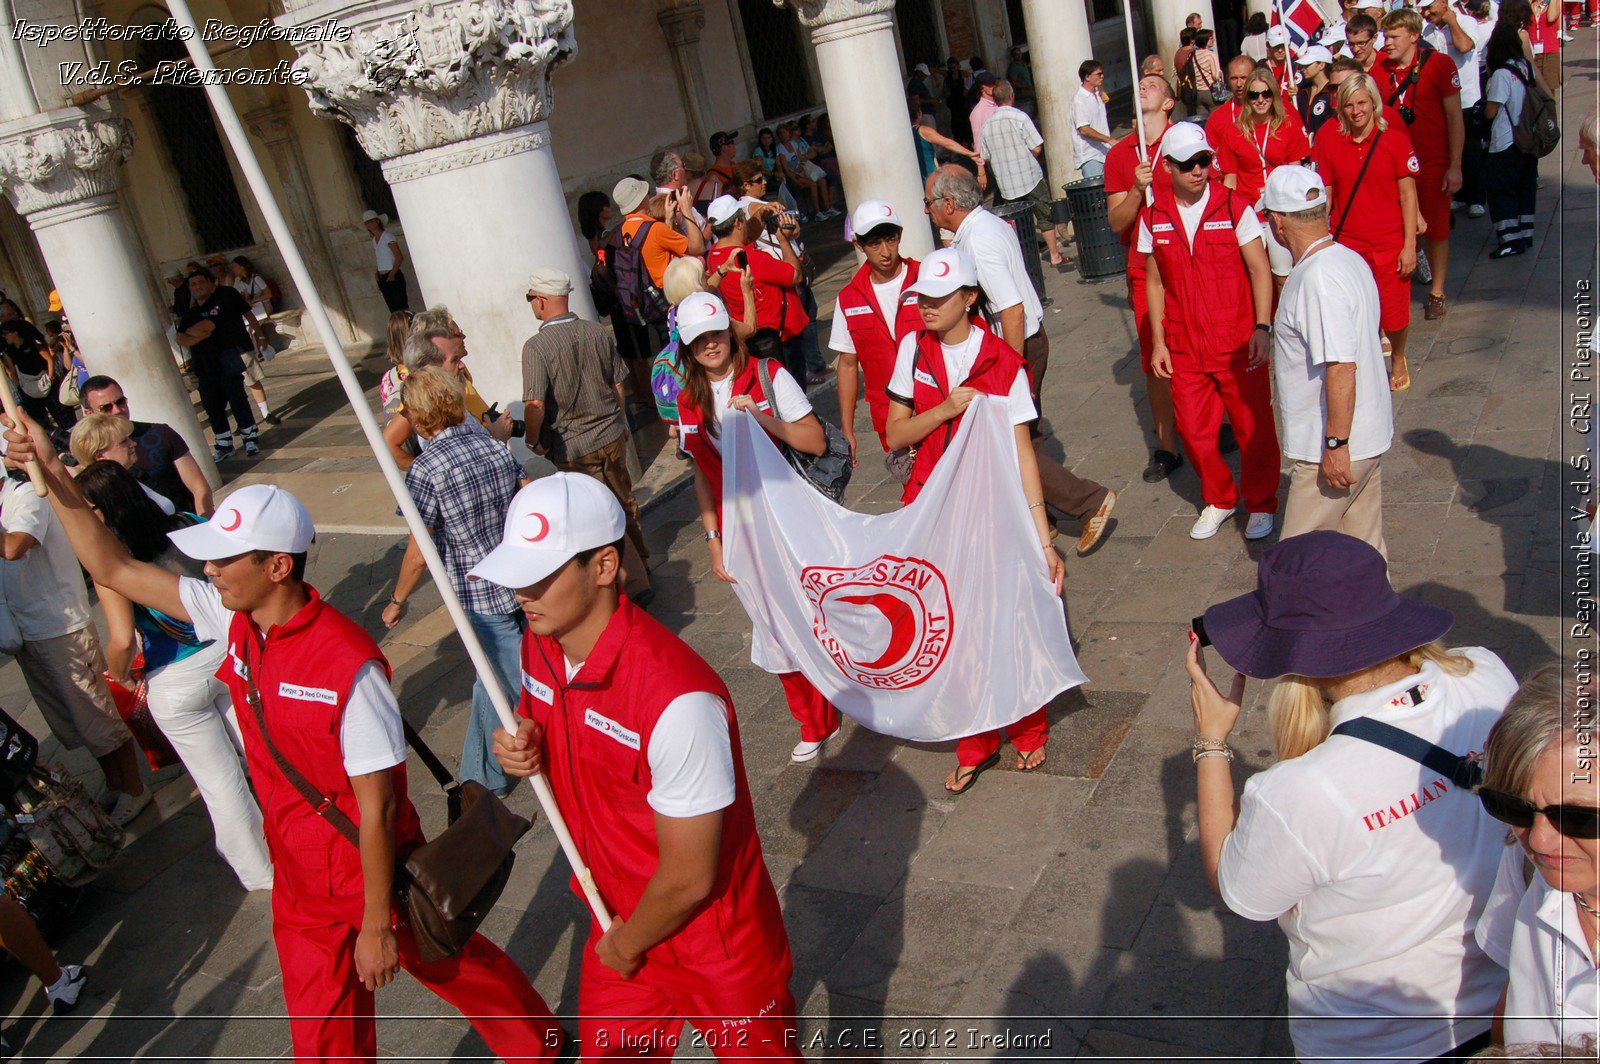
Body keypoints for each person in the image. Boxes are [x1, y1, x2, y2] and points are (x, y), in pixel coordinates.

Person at [0, 419, 565, 1062]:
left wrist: (377, 922)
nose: (208, 569)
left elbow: (377, 807)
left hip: (365, 864)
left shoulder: (350, 668)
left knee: (451, 964)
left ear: (276, 566)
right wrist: (51, 477)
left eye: (222, 557)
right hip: (298, 879)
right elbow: (110, 565)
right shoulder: (230, 617)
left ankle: (544, 1046)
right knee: (321, 1031)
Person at [478, 473, 803, 1058]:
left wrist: (626, 945)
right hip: (617, 920)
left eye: (540, 575)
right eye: (516, 574)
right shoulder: (540, 646)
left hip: (712, 946)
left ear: (604, 567)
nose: (520, 593)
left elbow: (688, 879)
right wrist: (523, 743)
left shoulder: (678, 702)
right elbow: (539, 721)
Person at [1188, 529, 1515, 1063]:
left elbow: (1237, 889)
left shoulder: (1296, 791)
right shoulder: (1487, 673)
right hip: (1505, 1001)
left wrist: (1210, 742)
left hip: (1372, 1044)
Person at [882, 247, 1064, 793]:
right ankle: (975, 740)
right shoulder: (912, 349)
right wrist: (942, 410)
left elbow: (1024, 454)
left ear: (969, 299)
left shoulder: (1004, 364)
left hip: (993, 508)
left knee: (1009, 615)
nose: (926, 307)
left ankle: (1028, 727)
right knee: (953, 623)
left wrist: (1043, 539)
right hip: (933, 506)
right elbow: (894, 435)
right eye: (922, 298)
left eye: (939, 299)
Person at [73, 461, 274, 890]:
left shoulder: (114, 563)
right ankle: (301, 834)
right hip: (227, 653)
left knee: (220, 785)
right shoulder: (188, 525)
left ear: (102, 510)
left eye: (86, 509)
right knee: (263, 753)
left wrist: (119, 675)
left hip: (176, 681)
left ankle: (261, 873)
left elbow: (123, 639)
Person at [673, 292, 841, 764]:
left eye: (715, 332)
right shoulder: (689, 402)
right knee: (771, 623)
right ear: (687, 348)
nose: (710, 344)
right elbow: (703, 476)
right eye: (698, 339)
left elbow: (814, 439)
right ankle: (812, 720)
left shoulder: (769, 375)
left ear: (730, 330)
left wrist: (761, 418)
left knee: (818, 608)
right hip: (741, 529)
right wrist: (713, 542)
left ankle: (850, 684)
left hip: (791, 516)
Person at [926, 165, 1119, 555]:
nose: (926, 210)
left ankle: (1088, 502)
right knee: (1026, 436)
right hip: (1026, 341)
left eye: (928, 202)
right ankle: (1041, 517)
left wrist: (1007, 372)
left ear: (948, 204)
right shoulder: (984, 227)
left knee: (1011, 441)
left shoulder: (977, 240)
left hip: (1017, 344)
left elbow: (1010, 308)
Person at [380, 367, 524, 797]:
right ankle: (483, 775)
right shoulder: (493, 445)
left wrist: (397, 599)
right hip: (519, 578)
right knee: (497, 678)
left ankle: (482, 778)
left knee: (502, 682)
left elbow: (418, 548)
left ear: (420, 418)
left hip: (478, 591)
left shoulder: (425, 470)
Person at [1138, 124, 1281, 542]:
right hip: (1184, 345)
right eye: (1188, 164)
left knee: (1253, 430)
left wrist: (1262, 326)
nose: (1199, 170)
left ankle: (1261, 502)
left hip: (1237, 341)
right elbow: (1155, 281)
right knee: (1195, 433)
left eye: (1204, 161)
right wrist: (1160, 341)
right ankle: (1219, 499)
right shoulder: (1155, 215)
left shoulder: (1234, 206)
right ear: (1168, 167)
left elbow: (1259, 269)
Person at [0, 448, 148, 826]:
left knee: (96, 714)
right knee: (75, 722)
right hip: (25, 631)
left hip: (59, 625)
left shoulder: (26, 495)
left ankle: (135, 788)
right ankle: (114, 782)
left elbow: (14, 546)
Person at [1259, 166, 1394, 556]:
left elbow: (1340, 365)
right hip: (1367, 435)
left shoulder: (1316, 279)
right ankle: (1383, 616)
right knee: (1364, 551)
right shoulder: (1348, 259)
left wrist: (1336, 445)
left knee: (1297, 564)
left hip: (1333, 445)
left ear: (1279, 223)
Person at [1474, 664, 1600, 1049]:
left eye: (1576, 817)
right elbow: (1513, 992)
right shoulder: (1529, 867)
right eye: (1514, 807)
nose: (1541, 841)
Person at [520, 267, 652, 602]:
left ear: (543, 300)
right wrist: (620, 422)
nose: (532, 305)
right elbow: (617, 383)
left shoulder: (536, 347)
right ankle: (641, 567)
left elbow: (535, 403)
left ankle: (618, 582)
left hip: (573, 445)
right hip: (609, 435)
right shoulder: (597, 332)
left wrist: (532, 441)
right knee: (624, 501)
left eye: (531, 298)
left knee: (592, 516)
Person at [1311, 71, 1422, 393]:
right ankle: (1368, 360)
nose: (1356, 110)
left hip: (1389, 242)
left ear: (1374, 104)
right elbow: (1326, 194)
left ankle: (1398, 357)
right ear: (1340, 108)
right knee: (1355, 314)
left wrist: (1409, 245)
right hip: (1348, 245)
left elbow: (1408, 195)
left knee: (1394, 315)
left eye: (1362, 103)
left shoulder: (1395, 142)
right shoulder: (1330, 141)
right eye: (1349, 104)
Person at [1106, 74, 1184, 484]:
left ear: (1169, 103)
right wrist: (1137, 191)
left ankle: (1219, 421)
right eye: (1139, 83)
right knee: (1156, 356)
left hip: (1190, 262)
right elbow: (1116, 219)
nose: (1141, 87)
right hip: (1144, 267)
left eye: (1153, 85)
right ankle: (1167, 444)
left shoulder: (1185, 141)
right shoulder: (1121, 155)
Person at [1377, 8, 1465, 323]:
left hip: (1432, 161)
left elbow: (1455, 117)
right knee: (1397, 229)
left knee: (1437, 229)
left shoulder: (1440, 65)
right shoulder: (1379, 69)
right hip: (1394, 169)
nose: (1387, 42)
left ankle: (1437, 292)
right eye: (1385, 36)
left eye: (1394, 36)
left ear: (1414, 36)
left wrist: (1455, 165)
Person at [828, 200, 922, 469]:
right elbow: (847, 365)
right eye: (874, 243)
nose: (885, 251)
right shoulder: (848, 298)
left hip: (937, 401)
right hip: (889, 414)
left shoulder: (925, 279)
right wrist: (848, 430)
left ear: (900, 235)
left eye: (890, 239)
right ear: (859, 245)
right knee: (915, 490)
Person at [382, 308, 515, 465]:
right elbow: (389, 442)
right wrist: (424, 472)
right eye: (457, 334)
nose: (463, 337)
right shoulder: (423, 395)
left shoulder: (457, 375)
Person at [704, 196, 810, 387]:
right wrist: (783, 240)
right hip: (780, 336)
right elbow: (795, 276)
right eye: (744, 218)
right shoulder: (753, 258)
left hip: (752, 338)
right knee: (794, 393)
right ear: (737, 222)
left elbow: (743, 238)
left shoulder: (714, 255)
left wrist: (760, 214)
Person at [79, 376, 214, 516]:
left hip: (187, 523)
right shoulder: (91, 455)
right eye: (106, 407)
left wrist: (203, 523)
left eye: (120, 401)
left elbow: (199, 488)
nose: (117, 410)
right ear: (89, 413)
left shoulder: (160, 433)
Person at [175, 268, 261, 461]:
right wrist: (195, 334)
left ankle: (250, 437)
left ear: (210, 283)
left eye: (200, 282)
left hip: (227, 361)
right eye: (193, 284)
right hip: (205, 367)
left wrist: (193, 333)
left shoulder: (220, 303)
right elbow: (180, 338)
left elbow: (207, 328)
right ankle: (224, 444)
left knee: (237, 400)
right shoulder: (191, 313)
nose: (197, 287)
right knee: (212, 406)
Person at [981, 80, 1068, 267]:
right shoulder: (1019, 117)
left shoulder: (987, 126)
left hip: (1006, 183)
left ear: (995, 100)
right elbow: (1036, 146)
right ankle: (1054, 255)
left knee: (1018, 222)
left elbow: (986, 156)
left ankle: (1025, 261)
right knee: (1044, 214)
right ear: (1012, 96)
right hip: (1029, 176)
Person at [1482, 17, 1541, 257]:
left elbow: (1491, 110)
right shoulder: (1524, 66)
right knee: (1525, 188)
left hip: (1505, 141)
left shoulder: (1501, 74)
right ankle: (1525, 233)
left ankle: (1509, 239)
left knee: (1501, 191)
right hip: (1527, 138)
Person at [1214, 68, 1313, 206]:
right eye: (1254, 95)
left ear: (1274, 95)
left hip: (1284, 206)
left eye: (1266, 94)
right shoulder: (1234, 130)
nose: (1260, 100)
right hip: (1249, 208)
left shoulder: (1288, 125)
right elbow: (1230, 179)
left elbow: (1295, 173)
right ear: (1247, 98)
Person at [69, 414, 178, 516]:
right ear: (99, 455)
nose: (133, 443)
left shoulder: (129, 478)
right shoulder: (108, 495)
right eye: (124, 441)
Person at [616, 175, 706, 296]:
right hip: (670, 295)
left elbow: (657, 252)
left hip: (649, 297)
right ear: (642, 199)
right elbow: (698, 248)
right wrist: (686, 209)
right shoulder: (655, 229)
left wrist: (668, 222)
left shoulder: (622, 231)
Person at [0, 307, 71, 441]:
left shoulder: (30, 338)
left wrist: (50, 377)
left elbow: (48, 357)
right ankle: (55, 441)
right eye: (9, 315)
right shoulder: (8, 349)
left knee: (60, 413)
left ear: (14, 333)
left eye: (6, 333)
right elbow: (11, 369)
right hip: (27, 386)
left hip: (44, 380)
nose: (13, 316)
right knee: (39, 419)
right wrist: (19, 385)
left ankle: (70, 438)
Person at [1073, 62, 1114, 179]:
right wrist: (1109, 140)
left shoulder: (1098, 94)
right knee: (1097, 194)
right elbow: (1084, 129)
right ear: (1087, 77)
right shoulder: (1079, 101)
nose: (1102, 76)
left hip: (1104, 153)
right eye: (1099, 74)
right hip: (1090, 157)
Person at [1207, 56, 1259, 148]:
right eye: (1234, 78)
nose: (1239, 84)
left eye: (1244, 78)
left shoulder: (1276, 109)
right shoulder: (1216, 119)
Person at [362, 210, 408, 314]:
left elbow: (399, 257)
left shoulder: (387, 236)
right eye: (367, 222)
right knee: (394, 311)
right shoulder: (374, 240)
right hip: (383, 276)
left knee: (401, 308)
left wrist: (392, 274)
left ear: (377, 221)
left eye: (371, 221)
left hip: (392, 275)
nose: (370, 224)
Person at [1296, 46, 1339, 135]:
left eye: (1308, 64)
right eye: (1303, 65)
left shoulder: (1332, 92)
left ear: (1321, 65)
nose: (1303, 68)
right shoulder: (1303, 91)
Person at [969, 70, 999, 158]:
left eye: (994, 83)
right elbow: (978, 139)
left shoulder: (999, 103)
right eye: (991, 85)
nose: (994, 86)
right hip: (992, 156)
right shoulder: (978, 112)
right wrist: (980, 166)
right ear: (982, 88)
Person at [1264, 25, 1296, 98]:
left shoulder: (1295, 67)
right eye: (1276, 46)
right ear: (1268, 45)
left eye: (1283, 45)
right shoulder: (1261, 69)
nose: (1280, 50)